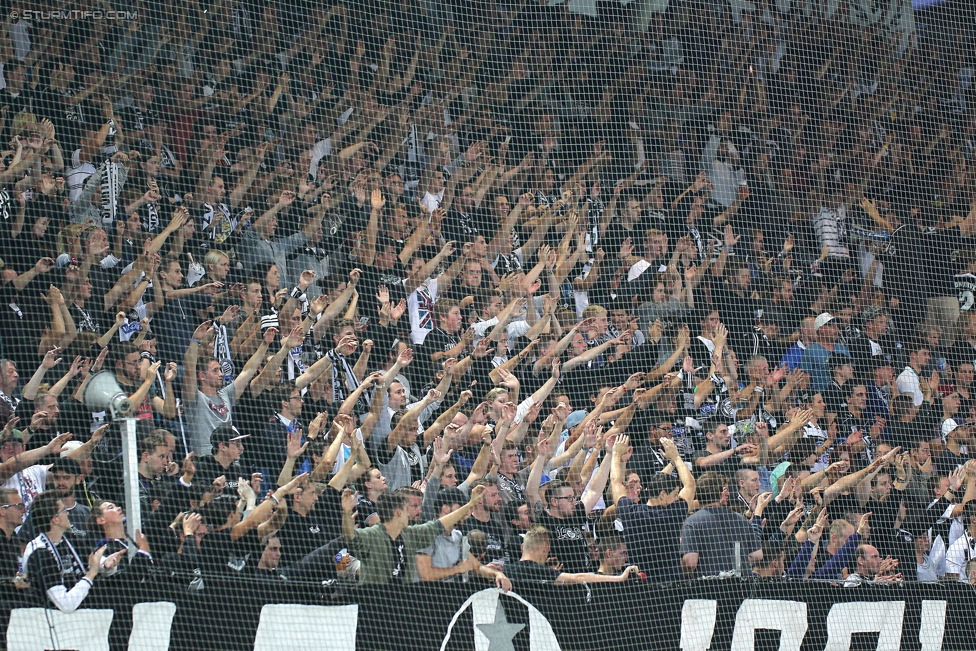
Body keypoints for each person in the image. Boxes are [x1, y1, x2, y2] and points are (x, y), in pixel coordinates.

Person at [340, 484, 489, 586]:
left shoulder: (410, 534)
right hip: (375, 605)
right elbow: (350, 537)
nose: (413, 513)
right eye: (407, 509)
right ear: (398, 512)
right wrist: (347, 512)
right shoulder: (371, 535)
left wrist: (470, 504)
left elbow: (440, 524)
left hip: (403, 604)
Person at [611, 435, 695, 582]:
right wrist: (676, 457)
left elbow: (616, 482)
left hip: (641, 585)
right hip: (672, 585)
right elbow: (690, 485)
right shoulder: (673, 513)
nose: (677, 498)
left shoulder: (632, 513)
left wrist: (616, 455)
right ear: (662, 495)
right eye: (675, 494)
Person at [22, 490, 122, 613]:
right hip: (53, 618)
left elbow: (89, 558)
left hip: (79, 611)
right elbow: (65, 605)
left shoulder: (69, 538)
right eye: (64, 511)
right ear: (55, 520)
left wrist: (105, 564)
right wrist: (91, 573)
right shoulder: (40, 553)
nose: (68, 514)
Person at [679, 472, 762, 577]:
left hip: (707, 588)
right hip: (740, 588)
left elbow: (690, 563)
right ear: (721, 494)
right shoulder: (741, 520)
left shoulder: (692, 522)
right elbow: (757, 555)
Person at [504, 524, 640, 583]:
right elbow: (577, 578)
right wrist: (620, 578)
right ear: (546, 547)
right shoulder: (539, 571)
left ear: (523, 547)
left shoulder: (506, 570)